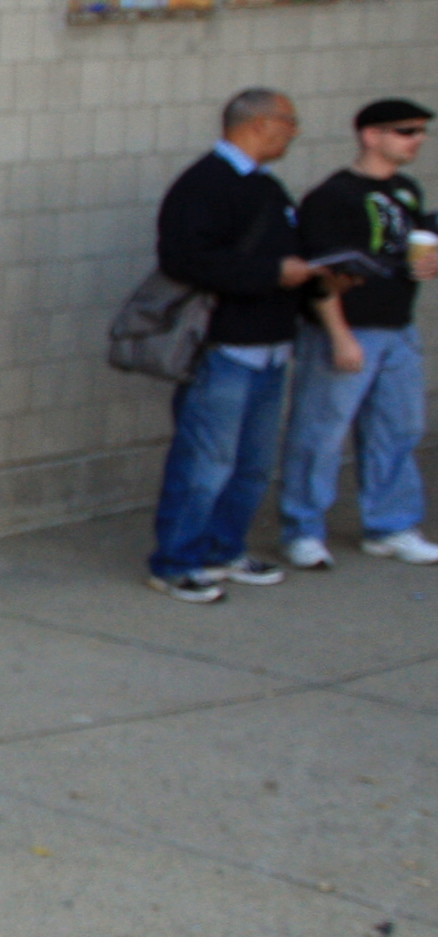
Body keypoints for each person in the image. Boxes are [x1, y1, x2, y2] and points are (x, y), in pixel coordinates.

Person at [145, 88, 334, 603]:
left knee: (251, 464)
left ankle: (222, 549)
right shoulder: (205, 185)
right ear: (259, 124)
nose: (295, 132)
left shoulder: (266, 187)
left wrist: (318, 277)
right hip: (224, 349)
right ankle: (176, 561)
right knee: (206, 462)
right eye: (289, 122)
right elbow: (186, 258)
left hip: (272, 347)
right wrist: (274, 272)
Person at [281, 97, 438, 569]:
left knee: (398, 427)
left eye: (420, 131)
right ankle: (302, 529)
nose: (417, 140)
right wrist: (340, 335)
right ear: (371, 135)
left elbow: (406, 251)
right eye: (405, 131)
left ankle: (390, 525)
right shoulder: (333, 197)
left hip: (396, 327)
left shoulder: (406, 190)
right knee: (321, 432)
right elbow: (320, 274)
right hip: (348, 329)